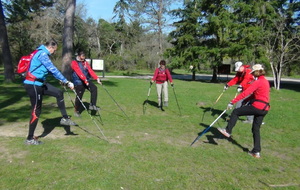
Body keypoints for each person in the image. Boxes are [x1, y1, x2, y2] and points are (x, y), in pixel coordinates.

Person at [23, 39, 77, 145]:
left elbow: (48, 70)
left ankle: (65, 119)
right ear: (51, 47)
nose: (54, 52)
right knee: (36, 111)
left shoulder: (40, 53)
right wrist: (66, 81)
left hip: (41, 84)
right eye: (54, 50)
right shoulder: (42, 54)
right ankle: (29, 139)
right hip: (33, 84)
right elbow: (53, 69)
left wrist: (61, 80)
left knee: (58, 93)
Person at [218, 64, 270, 158]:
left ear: (257, 72)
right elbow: (255, 94)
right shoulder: (265, 81)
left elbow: (246, 92)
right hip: (264, 109)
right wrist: (245, 101)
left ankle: (227, 130)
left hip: (257, 107)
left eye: (253, 72)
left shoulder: (258, 82)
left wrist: (232, 102)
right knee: (255, 129)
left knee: (236, 112)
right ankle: (256, 152)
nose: (252, 74)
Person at [71, 50, 102, 117]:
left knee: (94, 88)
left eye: (84, 56)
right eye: (82, 56)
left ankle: (92, 105)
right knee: (79, 96)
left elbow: (90, 71)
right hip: (78, 81)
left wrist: (97, 78)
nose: (84, 57)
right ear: (79, 56)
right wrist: (85, 80)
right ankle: (76, 110)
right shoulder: (74, 62)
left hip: (86, 80)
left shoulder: (85, 62)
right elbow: (78, 72)